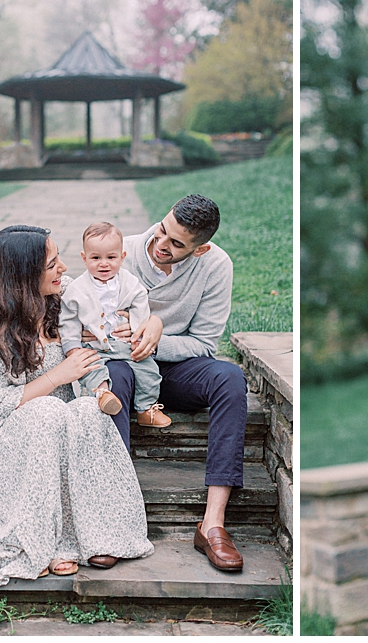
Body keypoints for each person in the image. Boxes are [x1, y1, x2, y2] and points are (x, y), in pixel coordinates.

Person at [0, 225, 154, 590]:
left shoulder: (66, 299)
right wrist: (57, 376)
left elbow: (119, 298)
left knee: (89, 411)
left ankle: (98, 535)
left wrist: (134, 324)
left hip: (61, 433)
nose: (63, 269)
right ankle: (39, 541)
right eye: (52, 264)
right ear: (24, 277)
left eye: (59, 260)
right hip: (8, 442)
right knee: (48, 411)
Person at [91, 194, 248, 572]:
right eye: (162, 231)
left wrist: (156, 337)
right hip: (123, 365)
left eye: (177, 244)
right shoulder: (121, 251)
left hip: (177, 369)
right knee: (118, 375)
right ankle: (112, 519)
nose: (161, 245)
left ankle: (212, 523)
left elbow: (205, 343)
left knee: (230, 377)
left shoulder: (216, 266)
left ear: (200, 249)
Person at [59, 221, 170, 427]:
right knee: (91, 368)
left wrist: (137, 334)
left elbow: (140, 306)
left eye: (111, 257)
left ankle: (146, 408)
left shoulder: (129, 282)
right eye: (95, 258)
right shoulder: (77, 289)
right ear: (84, 258)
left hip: (125, 344)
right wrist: (72, 348)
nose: (104, 264)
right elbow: (68, 320)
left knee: (150, 371)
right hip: (94, 347)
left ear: (122, 257)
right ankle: (103, 393)